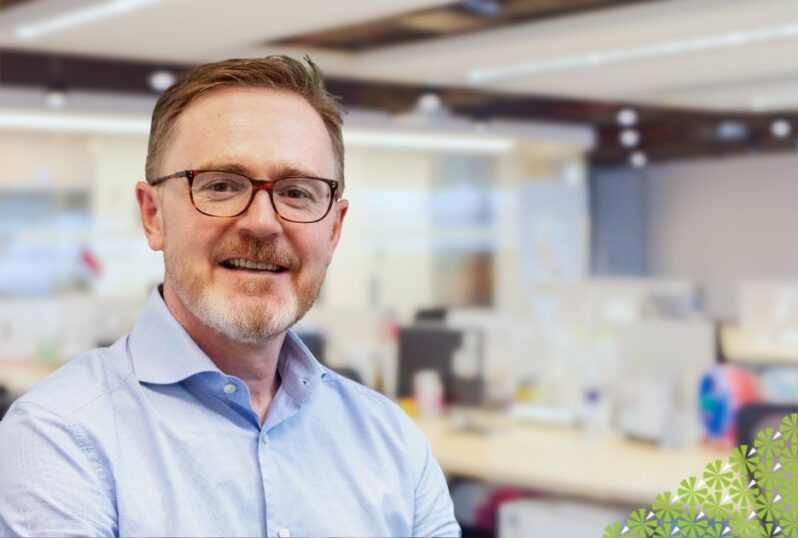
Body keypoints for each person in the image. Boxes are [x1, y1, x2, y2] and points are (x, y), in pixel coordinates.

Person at [0, 56, 460, 538]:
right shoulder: (61, 437)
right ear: (153, 215)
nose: (263, 223)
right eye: (221, 185)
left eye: (298, 192)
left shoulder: (393, 440)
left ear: (334, 228)